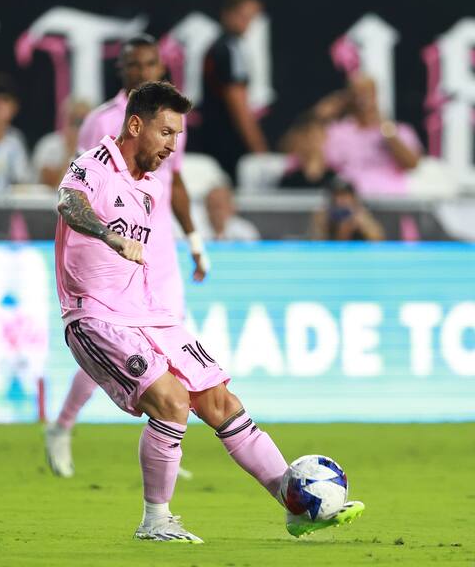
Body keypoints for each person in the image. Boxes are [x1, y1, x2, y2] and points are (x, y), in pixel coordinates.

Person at [55, 81, 364, 542]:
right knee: (172, 402)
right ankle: (155, 520)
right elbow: (69, 203)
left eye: (177, 136)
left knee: (220, 399)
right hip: (96, 316)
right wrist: (108, 235)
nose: (171, 146)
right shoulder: (95, 164)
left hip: (148, 313)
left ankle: (295, 502)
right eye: (165, 133)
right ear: (135, 125)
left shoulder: (150, 188)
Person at [45, 35, 210, 478]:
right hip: (114, 254)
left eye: (150, 62)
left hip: (161, 252)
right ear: (122, 71)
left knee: (172, 353)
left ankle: (167, 441)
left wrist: (194, 241)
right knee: (119, 350)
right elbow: (78, 184)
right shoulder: (101, 122)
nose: (144, 70)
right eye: (134, 64)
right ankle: (62, 426)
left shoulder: (172, 118)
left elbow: (173, 181)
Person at [315, 74, 422, 196]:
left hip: (390, 201)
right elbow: (316, 168)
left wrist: (386, 130)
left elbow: (412, 164)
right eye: (357, 93)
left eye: (368, 92)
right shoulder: (337, 132)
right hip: (351, 203)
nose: (362, 99)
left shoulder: (397, 129)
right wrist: (319, 116)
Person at [202, 0, 268, 185]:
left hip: (217, 142)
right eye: (243, 16)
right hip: (228, 147)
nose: (247, 23)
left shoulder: (220, 47)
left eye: (251, 18)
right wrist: (260, 153)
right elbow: (238, 104)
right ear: (227, 13)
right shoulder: (228, 49)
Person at [33, 98, 91, 188]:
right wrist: (71, 151)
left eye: (82, 121)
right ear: (65, 119)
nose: (77, 126)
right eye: (74, 120)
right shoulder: (49, 145)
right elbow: (50, 184)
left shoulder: (95, 147)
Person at [278, 113, 339, 191]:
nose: (314, 140)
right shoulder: (290, 175)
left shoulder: (334, 175)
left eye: (318, 134)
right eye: (310, 135)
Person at [309, 179, 385, 241]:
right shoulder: (325, 215)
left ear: (353, 198)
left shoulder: (360, 214)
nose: (340, 201)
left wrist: (363, 225)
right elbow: (316, 245)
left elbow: (379, 242)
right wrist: (323, 226)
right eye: (336, 196)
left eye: (344, 196)